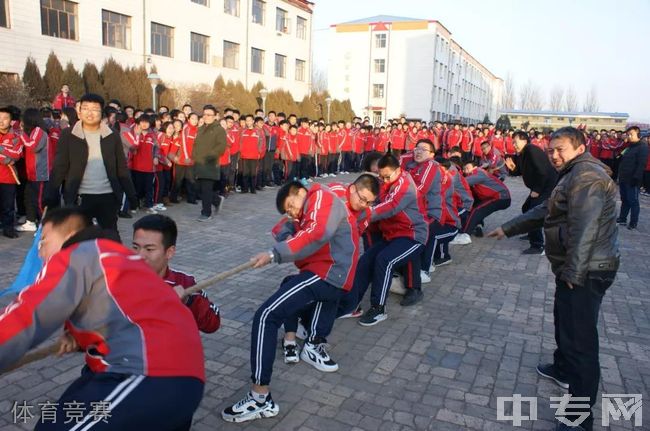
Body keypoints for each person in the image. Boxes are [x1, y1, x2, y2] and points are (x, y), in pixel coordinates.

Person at [0, 207, 205, 430]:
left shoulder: (78, 255)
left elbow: (28, 314)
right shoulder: (123, 261)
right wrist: (75, 335)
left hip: (147, 374)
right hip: (185, 380)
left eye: (45, 241)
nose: (40, 252)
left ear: (69, 236)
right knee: (62, 412)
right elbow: (115, 315)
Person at [488, 127, 619, 431]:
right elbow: (546, 210)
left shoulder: (586, 176)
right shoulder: (573, 173)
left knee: (581, 344)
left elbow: (585, 228)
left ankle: (579, 419)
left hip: (585, 269)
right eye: (551, 150)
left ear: (579, 147)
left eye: (560, 149)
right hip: (575, 267)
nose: (555, 155)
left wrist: (573, 273)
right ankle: (562, 368)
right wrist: (509, 228)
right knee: (565, 323)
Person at [221, 181, 358, 423]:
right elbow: (282, 230)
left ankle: (259, 398)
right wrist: (287, 231)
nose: (292, 212)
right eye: (288, 210)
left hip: (327, 273)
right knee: (286, 295)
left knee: (265, 317)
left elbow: (317, 231)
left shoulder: (320, 197)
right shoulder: (306, 211)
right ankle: (310, 346)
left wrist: (274, 254)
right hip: (329, 273)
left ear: (300, 192)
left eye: (291, 205)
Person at [44, 93, 137, 238]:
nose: (90, 113)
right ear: (79, 112)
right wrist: (50, 194)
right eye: (85, 108)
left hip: (107, 196)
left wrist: (131, 195)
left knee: (111, 238)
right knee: (78, 239)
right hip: (79, 197)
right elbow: (60, 166)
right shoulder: (68, 134)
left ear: (102, 113)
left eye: (95, 109)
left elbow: (121, 167)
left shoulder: (112, 135)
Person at [355, 153, 429, 325]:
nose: (383, 180)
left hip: (413, 235)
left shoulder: (405, 185)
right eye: (381, 176)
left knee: (384, 261)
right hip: (392, 235)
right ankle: (351, 304)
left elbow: (391, 206)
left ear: (398, 170)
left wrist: (363, 214)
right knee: (366, 260)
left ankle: (378, 308)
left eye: (387, 176)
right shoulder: (386, 182)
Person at [132, 214, 220, 333]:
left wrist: (188, 302)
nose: (139, 256)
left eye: (149, 249)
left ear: (169, 252)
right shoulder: (116, 282)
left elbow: (212, 323)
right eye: (135, 247)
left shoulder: (184, 283)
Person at [505, 130, 558, 254]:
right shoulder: (522, 153)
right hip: (539, 186)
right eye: (513, 142)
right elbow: (519, 171)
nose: (514, 145)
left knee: (533, 212)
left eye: (515, 142)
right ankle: (531, 233)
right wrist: (512, 168)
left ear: (524, 140)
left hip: (546, 186)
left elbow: (543, 171)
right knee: (526, 208)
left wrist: (537, 190)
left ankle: (538, 246)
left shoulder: (531, 150)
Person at [192, 105, 227, 221]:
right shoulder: (200, 128)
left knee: (206, 190)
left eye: (209, 115)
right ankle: (217, 200)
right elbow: (196, 145)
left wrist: (210, 156)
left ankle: (206, 213)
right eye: (204, 114)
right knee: (199, 189)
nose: (206, 117)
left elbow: (221, 146)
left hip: (210, 164)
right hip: (198, 163)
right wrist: (194, 156)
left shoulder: (219, 129)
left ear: (215, 116)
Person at [461, 160, 511, 237]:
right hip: (496, 196)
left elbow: (462, 183)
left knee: (476, 210)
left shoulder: (477, 173)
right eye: (464, 169)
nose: (466, 171)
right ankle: (477, 225)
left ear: (475, 167)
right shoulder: (477, 172)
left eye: (468, 168)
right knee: (476, 206)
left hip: (500, 197)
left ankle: (465, 235)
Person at [616, 126, 648, 229]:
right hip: (623, 177)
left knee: (633, 201)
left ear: (638, 135)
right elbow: (621, 158)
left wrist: (636, 178)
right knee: (624, 199)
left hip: (632, 179)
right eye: (628, 134)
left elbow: (641, 164)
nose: (629, 136)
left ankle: (633, 222)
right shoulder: (629, 146)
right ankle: (622, 218)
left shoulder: (642, 147)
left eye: (631, 134)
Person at [0, 106, 23, 238]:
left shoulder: (16, 136)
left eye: (5, 118)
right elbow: (9, 156)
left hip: (8, 177)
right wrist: (5, 155)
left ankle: (8, 228)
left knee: (8, 206)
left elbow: (16, 156)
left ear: (11, 121)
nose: (1, 121)